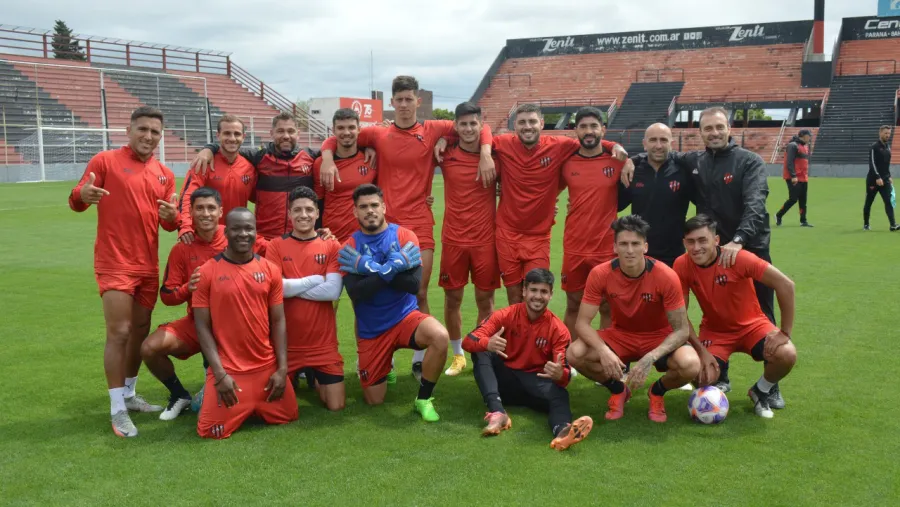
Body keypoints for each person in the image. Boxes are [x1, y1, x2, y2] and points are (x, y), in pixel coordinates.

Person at [320, 76, 494, 379]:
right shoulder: (377, 134)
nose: (403, 105)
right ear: (392, 103)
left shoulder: (433, 129)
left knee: (419, 290)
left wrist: (486, 152)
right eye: (398, 99)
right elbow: (339, 137)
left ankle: (418, 357)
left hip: (419, 225)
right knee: (373, 290)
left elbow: (480, 126)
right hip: (381, 227)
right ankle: (379, 354)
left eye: (408, 99)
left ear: (417, 101)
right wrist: (325, 157)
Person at [622, 107, 773, 392]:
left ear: (730, 128)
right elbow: (661, 152)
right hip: (708, 252)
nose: (714, 133)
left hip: (747, 246)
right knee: (713, 313)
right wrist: (633, 158)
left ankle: (769, 386)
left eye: (719, 127)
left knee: (763, 314)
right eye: (708, 129)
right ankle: (721, 374)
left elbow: (756, 203)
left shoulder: (749, 161)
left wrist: (739, 239)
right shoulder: (696, 160)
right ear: (700, 133)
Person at [438, 103, 628, 305]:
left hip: (539, 237)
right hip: (507, 235)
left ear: (542, 123)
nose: (527, 126)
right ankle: (518, 336)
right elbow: (480, 130)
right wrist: (451, 140)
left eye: (532, 121)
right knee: (514, 297)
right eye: (522, 122)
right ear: (514, 126)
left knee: (536, 296)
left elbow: (590, 140)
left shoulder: (559, 145)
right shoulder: (502, 143)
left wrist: (615, 147)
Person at [68, 106, 178, 438]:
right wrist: (81, 194)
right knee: (119, 331)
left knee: (139, 331)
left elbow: (169, 224)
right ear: (128, 130)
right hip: (115, 262)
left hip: (147, 264)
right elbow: (77, 200)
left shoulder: (164, 173)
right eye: (142, 129)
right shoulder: (105, 161)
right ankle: (116, 409)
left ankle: (129, 394)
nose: (148, 136)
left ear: (160, 137)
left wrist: (173, 215)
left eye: (154, 132)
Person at [567, 215, 697, 423]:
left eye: (635, 244)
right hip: (621, 335)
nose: (629, 250)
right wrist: (603, 351)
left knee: (690, 364)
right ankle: (619, 391)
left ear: (645, 247)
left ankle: (656, 393)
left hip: (658, 336)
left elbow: (681, 330)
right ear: (614, 247)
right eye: (624, 244)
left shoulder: (666, 275)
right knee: (575, 354)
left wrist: (650, 357)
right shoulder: (600, 274)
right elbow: (582, 323)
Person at [339, 184, 449, 421]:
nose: (370, 211)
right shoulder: (349, 247)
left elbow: (413, 285)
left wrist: (369, 268)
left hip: (406, 318)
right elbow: (358, 293)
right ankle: (384, 365)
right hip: (373, 330)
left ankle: (423, 399)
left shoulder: (404, 236)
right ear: (355, 212)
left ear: (384, 207)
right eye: (363, 207)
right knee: (374, 400)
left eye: (374, 205)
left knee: (440, 336)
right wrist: (393, 266)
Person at [674, 214, 798, 418]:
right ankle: (717, 380)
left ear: (716, 240)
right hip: (715, 331)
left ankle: (761, 390)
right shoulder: (681, 264)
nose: (696, 247)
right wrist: (700, 351)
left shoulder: (738, 258)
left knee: (787, 354)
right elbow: (680, 315)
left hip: (753, 326)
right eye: (691, 241)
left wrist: (785, 332)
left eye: (702, 240)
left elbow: (786, 285)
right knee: (699, 374)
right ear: (684, 243)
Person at [193, 208, 297, 439]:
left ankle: (251, 404)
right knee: (210, 432)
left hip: (266, 369)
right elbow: (201, 325)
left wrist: (282, 369)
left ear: (255, 231)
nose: (243, 234)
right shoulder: (207, 272)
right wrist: (219, 374)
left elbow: (278, 320)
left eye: (249, 228)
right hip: (229, 371)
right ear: (226, 231)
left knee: (290, 416)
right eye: (236, 228)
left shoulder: (270, 270)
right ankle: (211, 392)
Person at [463, 268, 594, 451]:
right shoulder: (505, 315)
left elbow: (564, 376)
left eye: (543, 292)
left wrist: (560, 375)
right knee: (481, 351)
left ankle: (562, 432)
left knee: (560, 394)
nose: (537, 296)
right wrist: (487, 342)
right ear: (524, 291)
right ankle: (498, 412)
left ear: (551, 295)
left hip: (535, 385)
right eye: (533, 290)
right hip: (504, 382)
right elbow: (468, 341)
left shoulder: (559, 329)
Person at [266, 186, 345, 411]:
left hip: (324, 346)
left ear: (317, 213)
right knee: (278, 407)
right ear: (289, 214)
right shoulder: (276, 245)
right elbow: (275, 289)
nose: (304, 215)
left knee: (336, 405)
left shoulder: (331, 244)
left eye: (309, 210)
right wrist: (315, 280)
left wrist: (291, 286)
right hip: (286, 346)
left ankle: (313, 373)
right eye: (297, 210)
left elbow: (332, 292)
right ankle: (302, 374)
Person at [438, 102, 500, 377]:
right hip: (453, 239)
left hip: (486, 239)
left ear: (480, 124)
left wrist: (486, 151)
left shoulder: (495, 152)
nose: (468, 128)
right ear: (455, 126)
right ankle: (458, 354)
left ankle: (480, 350)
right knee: (453, 298)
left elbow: (488, 132)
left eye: (473, 123)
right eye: (462, 124)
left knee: (485, 300)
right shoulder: (445, 152)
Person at [190, 113, 320, 240]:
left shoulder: (311, 157)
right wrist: (209, 148)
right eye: (280, 131)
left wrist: (328, 158)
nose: (286, 136)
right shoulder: (259, 157)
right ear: (272, 133)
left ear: (298, 134)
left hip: (300, 236)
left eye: (290, 131)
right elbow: (230, 146)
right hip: (265, 237)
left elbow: (332, 148)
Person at [559, 106, 625, 339]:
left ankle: (605, 354)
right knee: (574, 303)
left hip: (606, 245)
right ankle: (570, 356)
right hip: (574, 245)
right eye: (583, 126)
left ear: (603, 129)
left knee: (607, 305)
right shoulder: (566, 161)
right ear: (575, 130)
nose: (589, 131)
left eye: (594, 126)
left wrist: (617, 149)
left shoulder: (618, 161)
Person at [619, 123, 695, 267]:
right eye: (653, 140)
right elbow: (615, 205)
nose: (658, 145)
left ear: (671, 144)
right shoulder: (633, 172)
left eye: (663, 140)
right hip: (640, 252)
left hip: (674, 254)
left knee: (676, 290)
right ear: (644, 144)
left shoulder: (684, 170)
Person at [178, 115, 256, 244]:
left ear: (244, 137)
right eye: (227, 133)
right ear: (218, 135)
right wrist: (185, 225)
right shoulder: (204, 162)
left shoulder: (250, 167)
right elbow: (187, 195)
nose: (232, 138)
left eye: (237, 134)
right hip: (205, 237)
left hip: (235, 238)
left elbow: (259, 198)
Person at [313, 108, 377, 244]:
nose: (346, 132)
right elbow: (317, 202)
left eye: (351, 127)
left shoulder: (371, 160)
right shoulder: (321, 164)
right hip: (332, 238)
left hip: (366, 238)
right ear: (333, 130)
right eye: (341, 128)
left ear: (359, 129)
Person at [775, 129, 813, 228]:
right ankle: (779, 215)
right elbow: (789, 162)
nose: (810, 138)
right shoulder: (793, 145)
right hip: (794, 177)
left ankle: (803, 221)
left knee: (803, 200)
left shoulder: (804, 146)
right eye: (809, 136)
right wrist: (793, 175)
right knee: (793, 199)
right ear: (803, 136)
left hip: (803, 177)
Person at [864, 125, 898, 231]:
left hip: (885, 180)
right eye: (885, 133)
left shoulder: (888, 147)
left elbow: (886, 164)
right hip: (873, 181)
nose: (888, 135)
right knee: (869, 202)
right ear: (880, 133)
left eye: (889, 133)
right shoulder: (874, 147)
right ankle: (866, 224)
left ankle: (893, 225)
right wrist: (877, 177)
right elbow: (872, 163)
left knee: (888, 201)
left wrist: (889, 176)